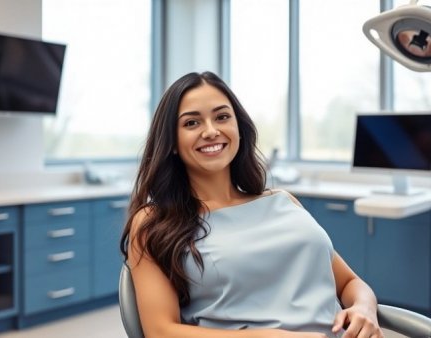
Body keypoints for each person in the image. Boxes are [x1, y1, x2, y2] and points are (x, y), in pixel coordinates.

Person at [120, 71, 384, 338]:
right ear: (172, 142)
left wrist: (364, 307)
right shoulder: (155, 221)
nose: (211, 131)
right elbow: (160, 332)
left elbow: (350, 282)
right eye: (191, 123)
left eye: (222, 117)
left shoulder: (283, 201)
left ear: (239, 129)